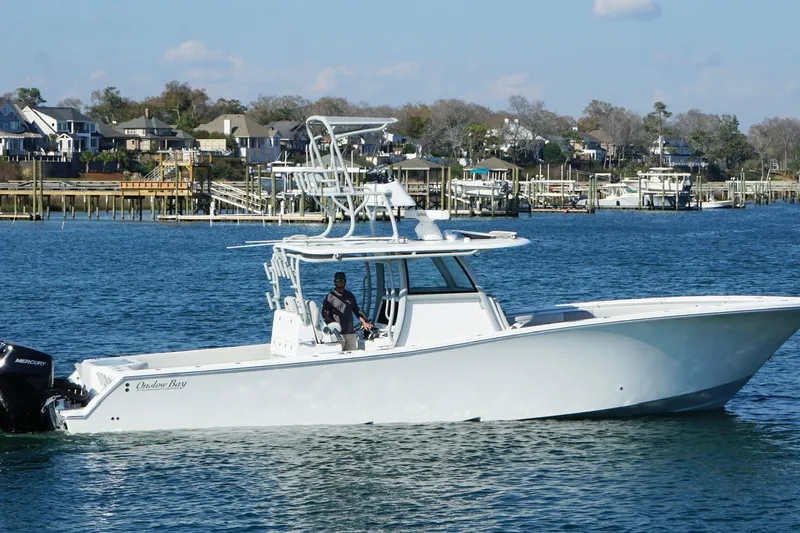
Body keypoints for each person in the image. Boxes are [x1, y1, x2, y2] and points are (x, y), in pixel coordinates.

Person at [321, 271, 373, 351]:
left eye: (342, 280)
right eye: (338, 280)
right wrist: (332, 325)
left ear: (345, 282)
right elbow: (324, 313)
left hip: (350, 332)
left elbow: (356, 311)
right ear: (335, 282)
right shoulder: (330, 296)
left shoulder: (350, 295)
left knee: (353, 355)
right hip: (338, 334)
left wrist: (364, 322)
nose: (340, 282)